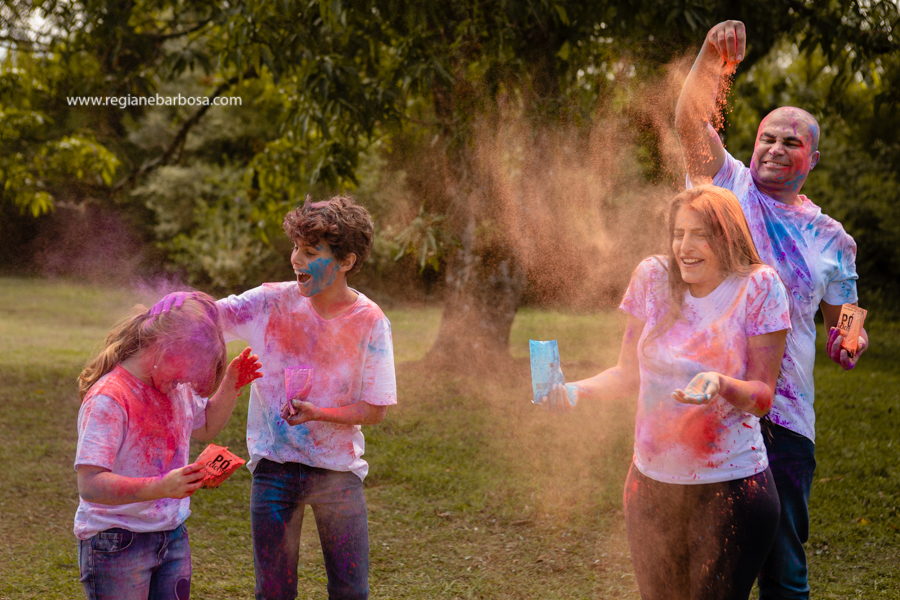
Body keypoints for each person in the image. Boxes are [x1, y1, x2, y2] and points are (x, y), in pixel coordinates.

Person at [674, 20, 869, 600]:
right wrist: (711, 57)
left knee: (782, 571)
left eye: (791, 141)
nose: (775, 149)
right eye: (766, 138)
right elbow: (688, 124)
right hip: (711, 403)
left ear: (813, 156)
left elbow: (848, 319)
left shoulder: (833, 238)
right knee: (709, 565)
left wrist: (851, 341)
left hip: (784, 421)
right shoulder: (729, 187)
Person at [544, 186, 791, 600]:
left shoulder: (760, 288)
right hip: (650, 487)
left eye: (701, 234)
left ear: (728, 236)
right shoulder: (653, 278)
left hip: (731, 489)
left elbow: (763, 396)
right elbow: (627, 374)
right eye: (679, 233)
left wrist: (719, 383)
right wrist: (574, 390)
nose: (685, 247)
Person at [158, 195, 397, 600]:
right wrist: (176, 310)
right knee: (273, 592)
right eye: (295, 248)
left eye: (310, 251)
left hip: (337, 472)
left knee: (351, 590)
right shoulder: (270, 302)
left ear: (346, 262)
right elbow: (210, 318)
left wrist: (317, 413)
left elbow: (375, 410)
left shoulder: (370, 322)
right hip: (273, 469)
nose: (296, 259)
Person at [74, 292, 263, 600]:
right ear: (164, 348)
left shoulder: (177, 389)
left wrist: (231, 384)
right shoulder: (110, 398)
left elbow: (206, 426)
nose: (188, 381)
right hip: (117, 542)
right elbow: (91, 485)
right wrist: (162, 485)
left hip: (171, 535)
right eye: (189, 370)